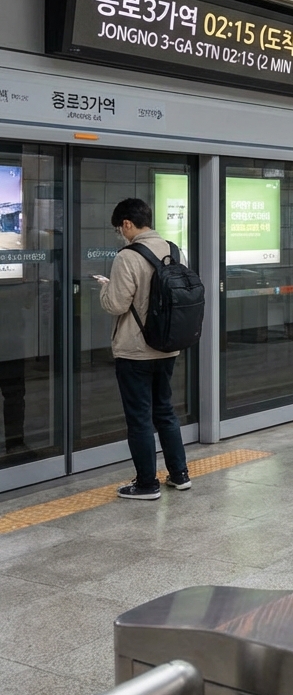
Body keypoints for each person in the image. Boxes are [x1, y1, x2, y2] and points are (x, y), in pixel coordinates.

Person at [97, 197, 190, 500]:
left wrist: (105, 287)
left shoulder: (128, 256)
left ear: (127, 224)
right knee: (164, 410)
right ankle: (180, 474)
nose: (120, 234)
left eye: (118, 229)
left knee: (139, 417)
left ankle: (147, 484)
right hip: (168, 346)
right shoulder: (174, 251)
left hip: (136, 350)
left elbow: (117, 304)